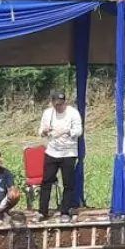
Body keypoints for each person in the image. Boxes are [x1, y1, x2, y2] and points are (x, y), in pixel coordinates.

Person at [37, 90, 83, 220]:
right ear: (52, 103)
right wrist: (45, 131)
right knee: (46, 181)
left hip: (68, 152)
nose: (59, 107)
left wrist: (67, 131)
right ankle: (42, 211)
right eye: (57, 104)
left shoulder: (73, 113)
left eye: (62, 104)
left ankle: (65, 212)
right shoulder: (48, 113)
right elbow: (40, 132)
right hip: (52, 151)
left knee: (68, 183)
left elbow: (79, 131)